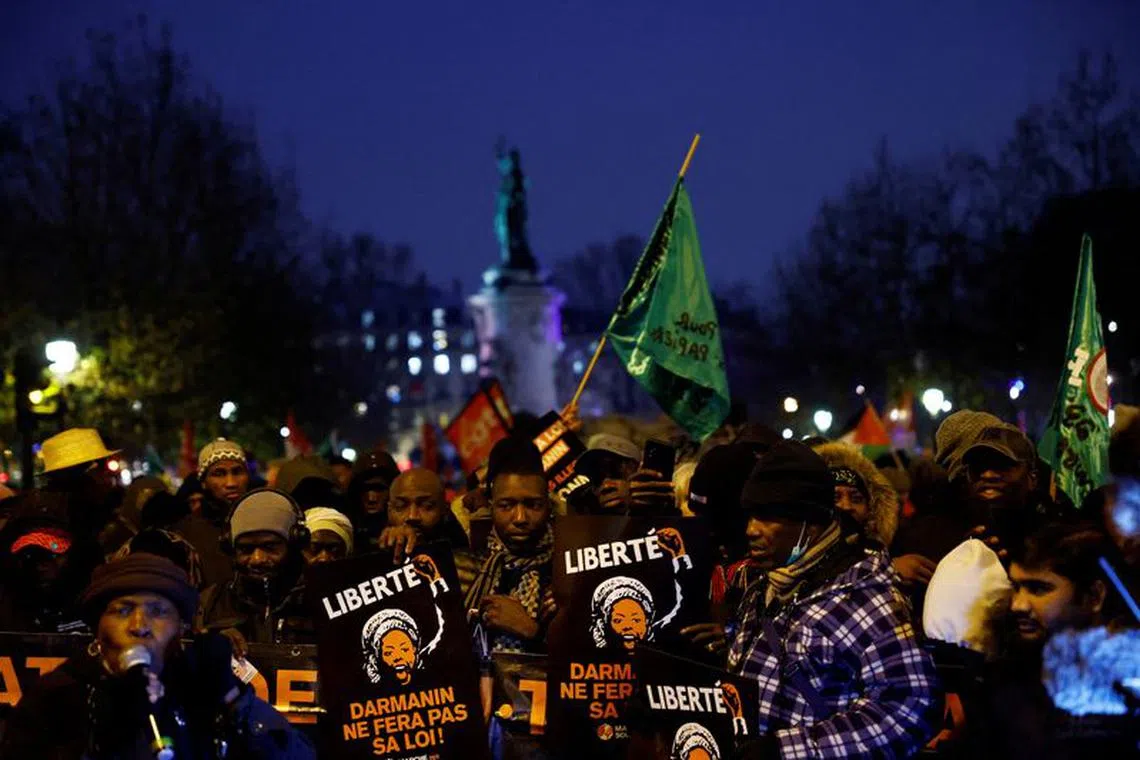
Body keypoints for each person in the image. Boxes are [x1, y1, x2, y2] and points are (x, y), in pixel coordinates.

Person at [727, 441, 937, 758]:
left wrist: (784, 751)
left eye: (769, 517)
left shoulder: (867, 598)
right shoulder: (763, 587)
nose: (751, 530)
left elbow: (911, 707)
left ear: (810, 523)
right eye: (751, 515)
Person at [0, 552, 315, 759]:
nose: (139, 626)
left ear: (180, 628)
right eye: (122, 611)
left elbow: (297, 755)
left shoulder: (200, 687)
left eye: (158, 612)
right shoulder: (58, 694)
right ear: (98, 626)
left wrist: (232, 699)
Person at [979, 523, 1127, 759]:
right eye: (1015, 587)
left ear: (1094, 596)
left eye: (1038, 590)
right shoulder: (1008, 672)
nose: (1018, 604)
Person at [457, 435, 555, 655]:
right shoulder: (466, 566)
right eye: (507, 505)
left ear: (549, 506)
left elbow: (586, 657)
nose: (520, 517)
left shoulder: (569, 568)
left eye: (533, 505)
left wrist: (530, 630)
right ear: (491, 506)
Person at [196, 489, 314, 653]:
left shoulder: (326, 600)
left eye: (270, 547)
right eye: (246, 549)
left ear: (294, 544)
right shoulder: (210, 603)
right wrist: (211, 645)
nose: (257, 559)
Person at [0, 490, 101, 633]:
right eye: (30, 555)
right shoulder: (12, 602)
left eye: (52, 556)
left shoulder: (94, 601)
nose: (40, 566)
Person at [173, 439, 251, 587]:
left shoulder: (262, 522)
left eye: (237, 472)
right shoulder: (185, 535)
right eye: (219, 474)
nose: (231, 483)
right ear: (203, 482)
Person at [377, 467, 470, 557]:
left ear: (444, 510)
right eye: (400, 506)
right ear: (389, 511)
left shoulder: (462, 559)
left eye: (427, 506)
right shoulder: (372, 551)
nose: (412, 516)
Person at [345, 449, 401, 553]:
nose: (371, 498)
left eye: (379, 489)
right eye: (364, 489)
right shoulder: (347, 530)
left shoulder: (406, 529)